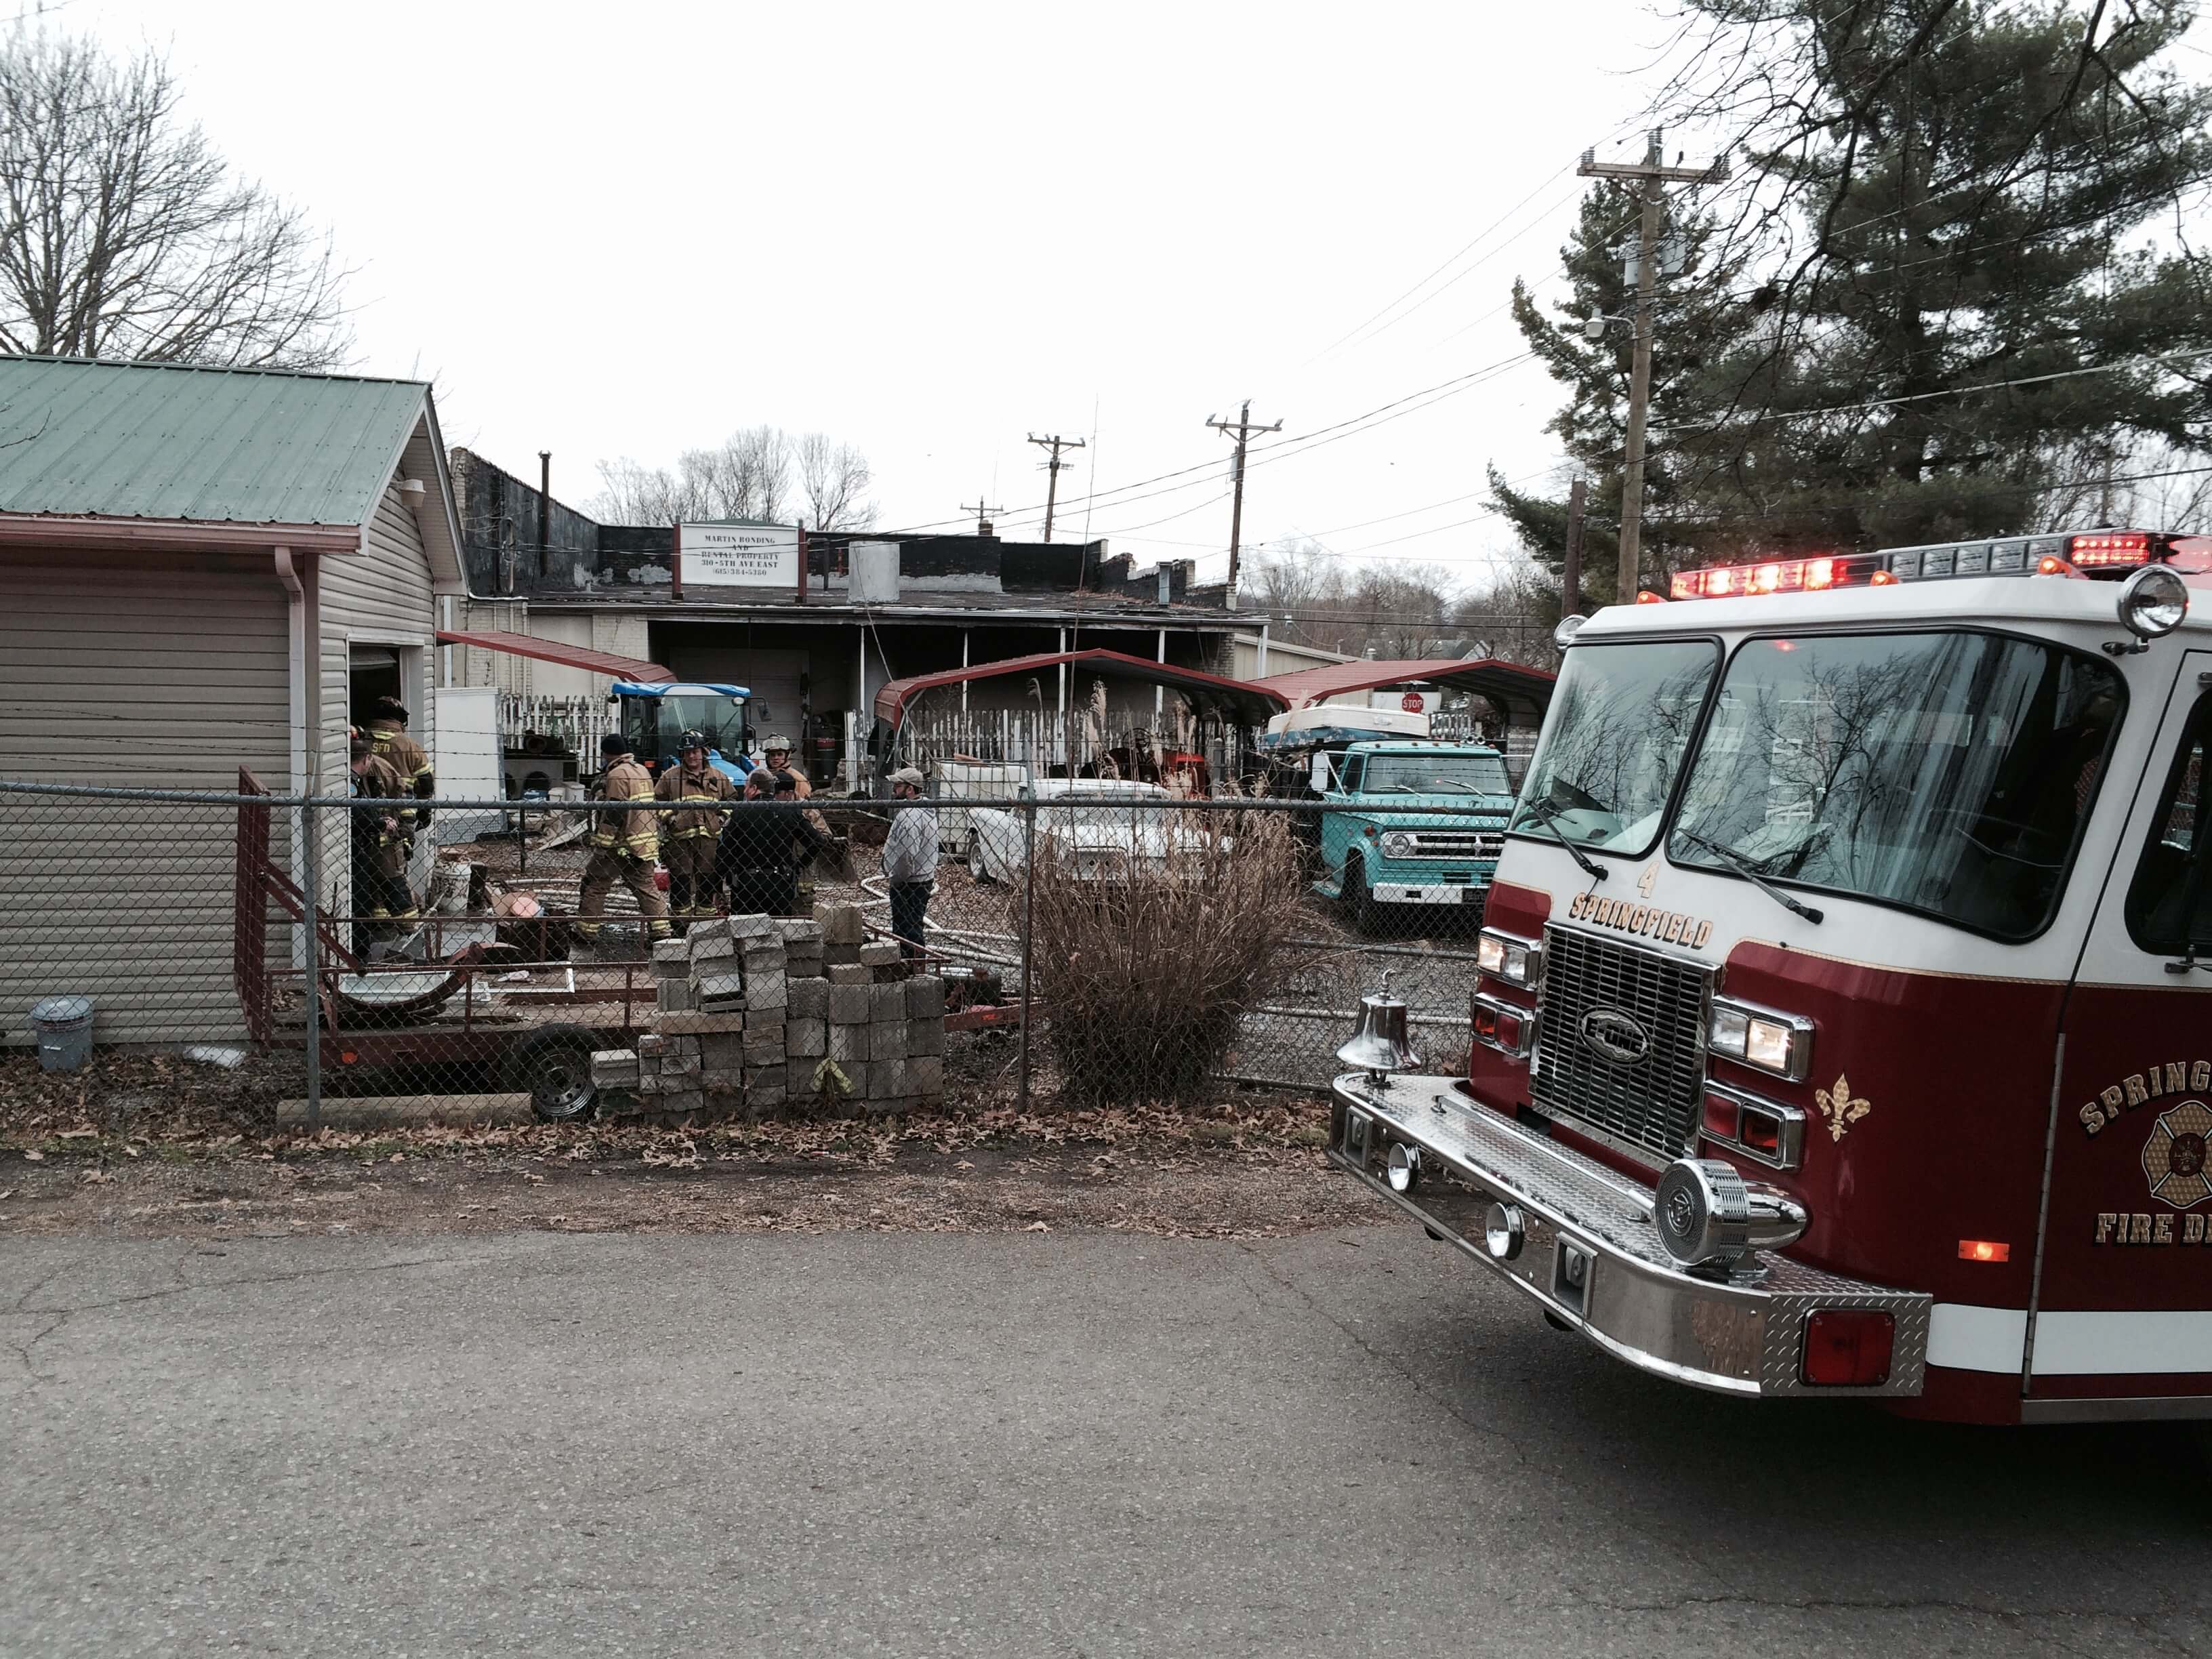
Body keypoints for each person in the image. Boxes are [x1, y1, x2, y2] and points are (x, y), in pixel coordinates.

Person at [577, 733, 671, 948]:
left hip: (620, 845)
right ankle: (662, 933)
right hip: (644, 844)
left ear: (607, 754)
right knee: (646, 887)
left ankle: (586, 933)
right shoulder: (642, 770)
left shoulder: (617, 774)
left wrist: (603, 844)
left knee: (596, 884)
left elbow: (614, 812)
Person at [717, 768, 831, 918]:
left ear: (754, 788)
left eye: (746, 787)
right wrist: (798, 866)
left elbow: (725, 851)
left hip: (746, 884)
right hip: (780, 883)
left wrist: (718, 883)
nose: (744, 791)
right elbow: (817, 841)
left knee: (744, 928)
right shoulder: (789, 811)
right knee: (779, 926)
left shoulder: (740, 813)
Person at [654, 728, 736, 933]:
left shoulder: (718, 776)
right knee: (680, 882)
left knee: (707, 880)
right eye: (687, 752)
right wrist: (670, 818)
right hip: (679, 840)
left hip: (709, 839)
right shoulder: (670, 777)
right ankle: (681, 927)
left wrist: (721, 818)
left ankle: (705, 926)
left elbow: (732, 800)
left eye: (695, 751)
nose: (691, 756)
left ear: (703, 752)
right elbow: (656, 802)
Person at [348, 736, 416, 951]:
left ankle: (408, 929)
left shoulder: (380, 769)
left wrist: (406, 828)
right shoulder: (353, 778)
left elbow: (404, 796)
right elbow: (358, 812)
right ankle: (381, 927)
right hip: (365, 840)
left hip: (383, 840)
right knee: (369, 887)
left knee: (389, 882)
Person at [881, 764, 938, 962]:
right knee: (913, 925)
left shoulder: (910, 816)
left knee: (906, 931)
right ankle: (915, 965)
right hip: (922, 878)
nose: (894, 790)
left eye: (898, 786)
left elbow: (906, 855)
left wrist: (897, 878)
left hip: (909, 881)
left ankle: (911, 966)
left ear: (910, 789)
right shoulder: (925, 809)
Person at [760, 734, 811, 798]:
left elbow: (805, 802)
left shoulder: (798, 779)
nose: (776, 758)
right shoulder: (764, 777)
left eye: (780, 754)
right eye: (772, 755)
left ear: (787, 756)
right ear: (768, 757)